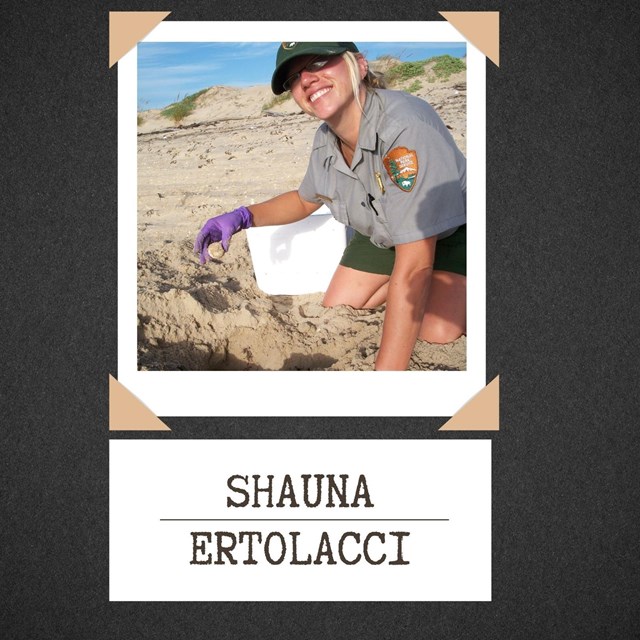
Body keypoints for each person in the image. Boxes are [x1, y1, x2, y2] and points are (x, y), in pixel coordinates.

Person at [194, 42, 467, 371]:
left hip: (453, 229)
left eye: (320, 62)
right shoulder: (325, 138)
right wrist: (242, 217)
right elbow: (304, 199)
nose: (307, 79)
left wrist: (387, 377)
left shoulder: (404, 129)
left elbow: (414, 267)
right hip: (385, 233)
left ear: (360, 66)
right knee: (339, 304)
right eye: (294, 77)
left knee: (436, 330)